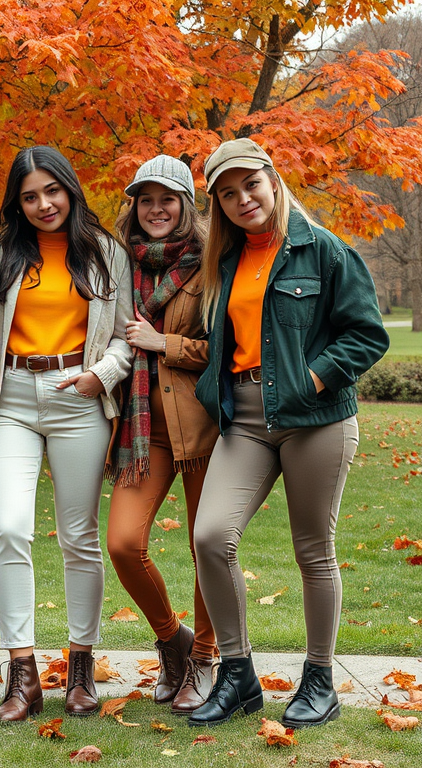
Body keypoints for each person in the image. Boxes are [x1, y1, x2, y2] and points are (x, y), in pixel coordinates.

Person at [189, 138, 389, 728]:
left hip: (316, 418)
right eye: (227, 193)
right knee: (210, 537)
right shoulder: (224, 261)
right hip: (246, 418)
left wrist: (313, 378)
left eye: (249, 184)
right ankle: (238, 674)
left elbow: (367, 335)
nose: (241, 198)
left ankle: (320, 680)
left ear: (273, 181)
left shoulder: (324, 249)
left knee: (312, 550)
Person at [0, 146, 133, 722]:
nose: (43, 204)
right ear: (16, 204)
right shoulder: (0, 254)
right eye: (29, 196)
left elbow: (125, 333)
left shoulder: (104, 254)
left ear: (70, 189)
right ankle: (22, 676)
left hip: (79, 396)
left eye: (52, 191)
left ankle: (80, 669)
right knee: (10, 527)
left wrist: (102, 375)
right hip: (14, 398)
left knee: (79, 538)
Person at [106, 155, 218, 715]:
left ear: (186, 206)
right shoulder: (116, 267)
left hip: (201, 428)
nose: (155, 210)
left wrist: (164, 345)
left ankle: (204, 657)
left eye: (166, 199)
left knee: (207, 549)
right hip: (141, 427)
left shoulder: (212, 263)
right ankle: (170, 639)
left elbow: (227, 350)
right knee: (124, 543)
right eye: (145, 200)